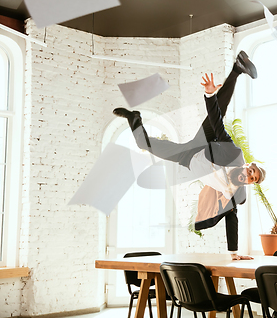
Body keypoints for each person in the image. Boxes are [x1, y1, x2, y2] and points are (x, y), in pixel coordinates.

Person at [113, 51, 265, 260]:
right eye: (251, 170)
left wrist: (234, 254)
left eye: (252, 178)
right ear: (248, 165)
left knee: (143, 143)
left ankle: (134, 117)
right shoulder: (234, 154)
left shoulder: (237, 195)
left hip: (187, 158)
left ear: (250, 183)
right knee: (218, 113)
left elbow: (232, 220)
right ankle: (237, 69)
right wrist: (210, 95)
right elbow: (217, 121)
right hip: (203, 145)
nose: (249, 175)